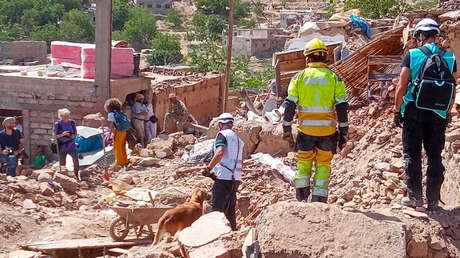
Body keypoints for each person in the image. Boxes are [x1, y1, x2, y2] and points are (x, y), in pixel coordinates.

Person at [394, 18, 457, 210]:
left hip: (414, 110)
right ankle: (433, 200)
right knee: (435, 155)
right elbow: (453, 89)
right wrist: (446, 112)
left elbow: (401, 85)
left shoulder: (412, 55)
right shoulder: (450, 57)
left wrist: (397, 110)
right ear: (436, 36)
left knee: (412, 154)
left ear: (420, 36)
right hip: (438, 113)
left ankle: (414, 198)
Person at [280, 38, 349, 203]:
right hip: (328, 132)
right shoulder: (335, 78)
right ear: (325, 57)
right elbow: (341, 107)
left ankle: (301, 197)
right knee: (323, 166)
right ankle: (319, 200)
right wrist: (344, 132)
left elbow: (290, 105)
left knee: (303, 164)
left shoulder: (300, 77)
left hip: (306, 132)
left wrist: (286, 128)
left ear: (308, 58)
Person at [202, 113, 244, 231]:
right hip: (235, 179)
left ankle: (216, 235)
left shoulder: (222, 135)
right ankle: (233, 235)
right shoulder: (238, 139)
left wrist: (208, 168)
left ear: (220, 124)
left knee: (217, 210)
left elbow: (220, 152)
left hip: (223, 178)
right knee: (230, 211)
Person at [53, 108, 79, 180]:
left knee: (76, 160)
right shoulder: (58, 124)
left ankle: (76, 175)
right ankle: (63, 177)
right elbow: (54, 136)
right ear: (61, 116)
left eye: (68, 115)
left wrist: (71, 135)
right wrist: (63, 134)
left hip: (71, 145)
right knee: (62, 163)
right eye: (65, 116)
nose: (67, 117)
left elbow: (75, 133)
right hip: (62, 146)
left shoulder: (72, 123)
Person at [105, 98, 129, 167]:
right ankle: (125, 160)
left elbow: (112, 125)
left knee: (117, 147)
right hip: (124, 131)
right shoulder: (120, 112)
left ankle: (119, 163)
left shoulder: (111, 114)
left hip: (118, 131)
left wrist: (109, 135)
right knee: (122, 146)